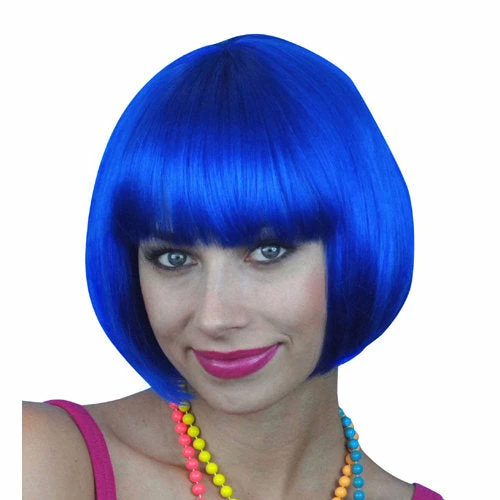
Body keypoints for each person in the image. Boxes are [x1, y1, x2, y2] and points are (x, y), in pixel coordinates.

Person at [22, 34, 443, 499]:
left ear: (359, 247)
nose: (215, 317)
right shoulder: (36, 460)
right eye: (175, 258)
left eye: (268, 251)